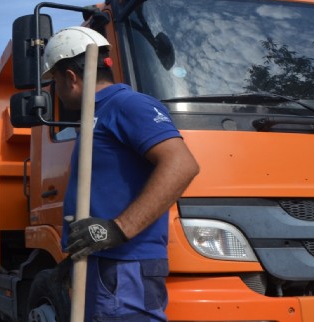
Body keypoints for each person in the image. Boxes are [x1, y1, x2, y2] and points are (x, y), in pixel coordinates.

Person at [42, 26, 200, 321]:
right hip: (103, 265)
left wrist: (117, 228)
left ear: (70, 77)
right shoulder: (95, 116)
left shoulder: (128, 105)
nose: (57, 93)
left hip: (125, 266)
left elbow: (182, 165)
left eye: (54, 82)